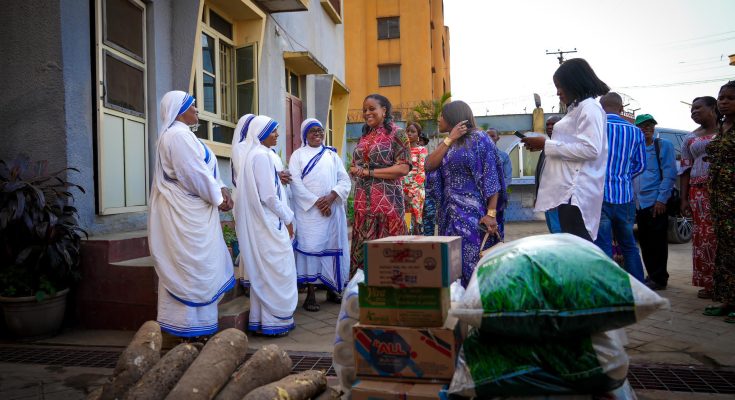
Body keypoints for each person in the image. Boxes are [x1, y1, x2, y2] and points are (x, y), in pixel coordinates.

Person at [148, 90, 235, 338]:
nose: (197, 110)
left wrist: (222, 188)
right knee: (187, 267)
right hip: (185, 216)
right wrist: (219, 198)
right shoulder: (177, 136)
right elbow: (193, 174)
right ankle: (187, 329)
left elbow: (205, 172)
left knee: (195, 267)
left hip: (194, 212)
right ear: (179, 110)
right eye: (193, 106)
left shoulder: (185, 136)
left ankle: (198, 327)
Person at [523, 58, 609, 241]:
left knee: (579, 252)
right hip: (568, 195)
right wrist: (543, 146)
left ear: (574, 83)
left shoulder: (590, 108)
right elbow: (572, 147)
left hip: (577, 196)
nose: (557, 92)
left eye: (560, 86)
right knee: (573, 249)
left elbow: (591, 149)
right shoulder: (578, 108)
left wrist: (546, 145)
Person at [425, 100, 506, 287]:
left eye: (442, 115)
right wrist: (449, 138)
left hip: (472, 215)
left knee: (472, 261)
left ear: (454, 117)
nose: (439, 119)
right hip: (448, 214)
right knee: (451, 263)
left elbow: (491, 175)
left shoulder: (480, 139)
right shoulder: (448, 143)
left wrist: (491, 213)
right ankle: (457, 304)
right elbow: (429, 165)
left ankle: (475, 305)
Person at [232, 115, 297, 337]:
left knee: (267, 272)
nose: (277, 134)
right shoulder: (260, 156)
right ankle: (274, 322)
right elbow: (269, 196)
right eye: (273, 131)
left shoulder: (259, 154)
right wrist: (288, 218)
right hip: (269, 222)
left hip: (267, 222)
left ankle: (262, 321)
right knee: (275, 271)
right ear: (260, 134)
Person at [289, 118, 351, 312]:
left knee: (332, 248)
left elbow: (344, 179)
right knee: (310, 250)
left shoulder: (332, 155)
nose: (318, 134)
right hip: (309, 215)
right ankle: (311, 293)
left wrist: (332, 197)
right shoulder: (297, 155)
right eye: (313, 131)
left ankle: (333, 289)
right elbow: (295, 183)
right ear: (305, 134)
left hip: (331, 211)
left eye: (320, 130)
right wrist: (317, 202)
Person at [348, 94, 411, 277]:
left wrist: (369, 173)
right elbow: (355, 164)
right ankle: (364, 296)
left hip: (387, 204)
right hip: (363, 203)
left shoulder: (397, 133)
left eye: (372, 109)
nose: (367, 113)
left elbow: (403, 167)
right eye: (364, 110)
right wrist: (355, 170)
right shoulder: (364, 136)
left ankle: (393, 297)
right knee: (364, 253)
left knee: (388, 253)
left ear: (384, 110)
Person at [594, 92, 646, 282]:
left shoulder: (595, 128)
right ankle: (638, 287)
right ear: (621, 109)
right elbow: (640, 165)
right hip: (625, 197)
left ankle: (610, 290)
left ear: (600, 108)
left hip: (599, 197)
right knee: (629, 245)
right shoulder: (636, 131)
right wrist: (622, 176)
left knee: (603, 246)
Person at [681, 96, 719, 299]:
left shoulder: (726, 132)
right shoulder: (690, 138)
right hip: (698, 191)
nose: (694, 112)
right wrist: (684, 198)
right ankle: (708, 283)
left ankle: (725, 284)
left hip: (722, 190)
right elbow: (685, 170)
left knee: (722, 237)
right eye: (692, 109)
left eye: (698, 108)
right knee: (703, 237)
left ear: (713, 108)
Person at [704, 80, 735, 323]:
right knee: (724, 250)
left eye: (730, 98)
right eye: (721, 98)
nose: (724, 102)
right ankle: (727, 300)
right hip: (719, 198)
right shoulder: (723, 127)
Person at [634, 114, 676, 291]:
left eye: (650, 125)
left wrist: (661, 200)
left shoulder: (663, 145)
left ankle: (659, 278)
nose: (646, 129)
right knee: (644, 241)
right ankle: (652, 275)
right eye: (642, 126)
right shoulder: (634, 148)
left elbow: (669, 174)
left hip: (655, 202)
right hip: (638, 203)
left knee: (657, 242)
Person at [535, 115, 562, 233]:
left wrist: (556, 198)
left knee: (559, 233)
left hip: (557, 201)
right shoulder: (547, 147)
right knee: (553, 231)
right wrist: (538, 195)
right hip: (547, 199)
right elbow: (541, 174)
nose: (550, 127)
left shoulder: (562, 147)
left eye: (553, 124)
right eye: (548, 125)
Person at [403, 122, 428, 234]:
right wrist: (402, 191)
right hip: (402, 190)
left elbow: (421, 172)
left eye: (413, 131)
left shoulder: (421, 150)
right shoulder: (402, 150)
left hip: (416, 191)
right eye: (408, 131)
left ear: (418, 134)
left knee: (416, 221)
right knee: (406, 223)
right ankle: (407, 241)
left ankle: (418, 243)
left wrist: (411, 192)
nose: (409, 133)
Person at [419, 133, 437, 236]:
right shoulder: (408, 158)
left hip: (429, 197)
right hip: (413, 197)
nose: (419, 143)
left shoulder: (431, 159)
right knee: (411, 225)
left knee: (429, 225)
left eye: (421, 141)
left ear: (425, 143)